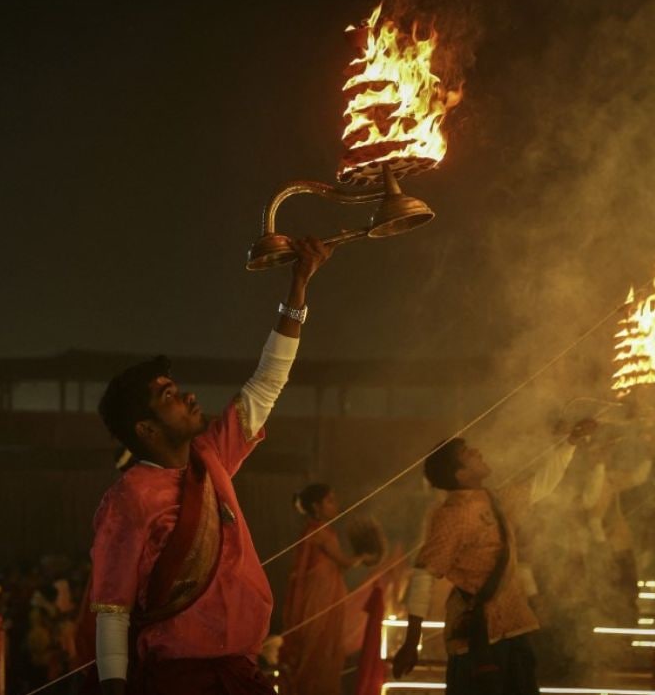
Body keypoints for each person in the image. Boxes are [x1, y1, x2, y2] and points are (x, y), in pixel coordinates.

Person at [87, 237, 331, 695]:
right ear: (146, 429)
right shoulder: (129, 497)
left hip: (240, 673)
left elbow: (266, 386)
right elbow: (112, 611)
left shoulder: (211, 457)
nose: (189, 397)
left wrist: (298, 288)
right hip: (181, 681)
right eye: (170, 397)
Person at [393, 428, 581, 695]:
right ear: (461, 475)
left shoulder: (496, 499)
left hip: (514, 627)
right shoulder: (452, 515)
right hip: (477, 638)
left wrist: (570, 442)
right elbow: (425, 575)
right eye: (467, 453)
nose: (477, 452)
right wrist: (412, 642)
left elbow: (541, 485)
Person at [281, 484, 371, 695]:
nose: (336, 505)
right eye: (330, 501)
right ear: (316, 506)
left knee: (317, 653)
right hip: (318, 602)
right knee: (318, 654)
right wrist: (365, 557)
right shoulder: (320, 532)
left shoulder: (315, 530)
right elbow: (345, 562)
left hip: (319, 600)